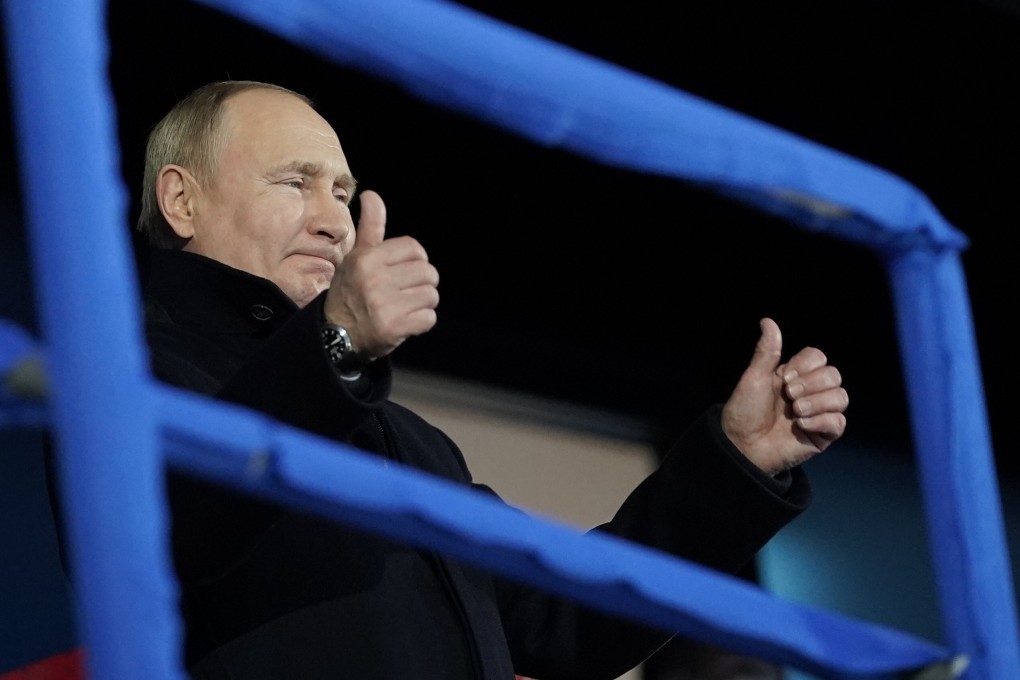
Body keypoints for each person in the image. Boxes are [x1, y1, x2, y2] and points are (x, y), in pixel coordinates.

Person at [127, 80, 848, 679]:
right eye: (295, 183)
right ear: (182, 201)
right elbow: (174, 529)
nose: (333, 223)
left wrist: (735, 465)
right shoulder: (121, 384)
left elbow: (564, 624)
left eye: (344, 194)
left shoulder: (416, 444)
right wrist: (338, 346)